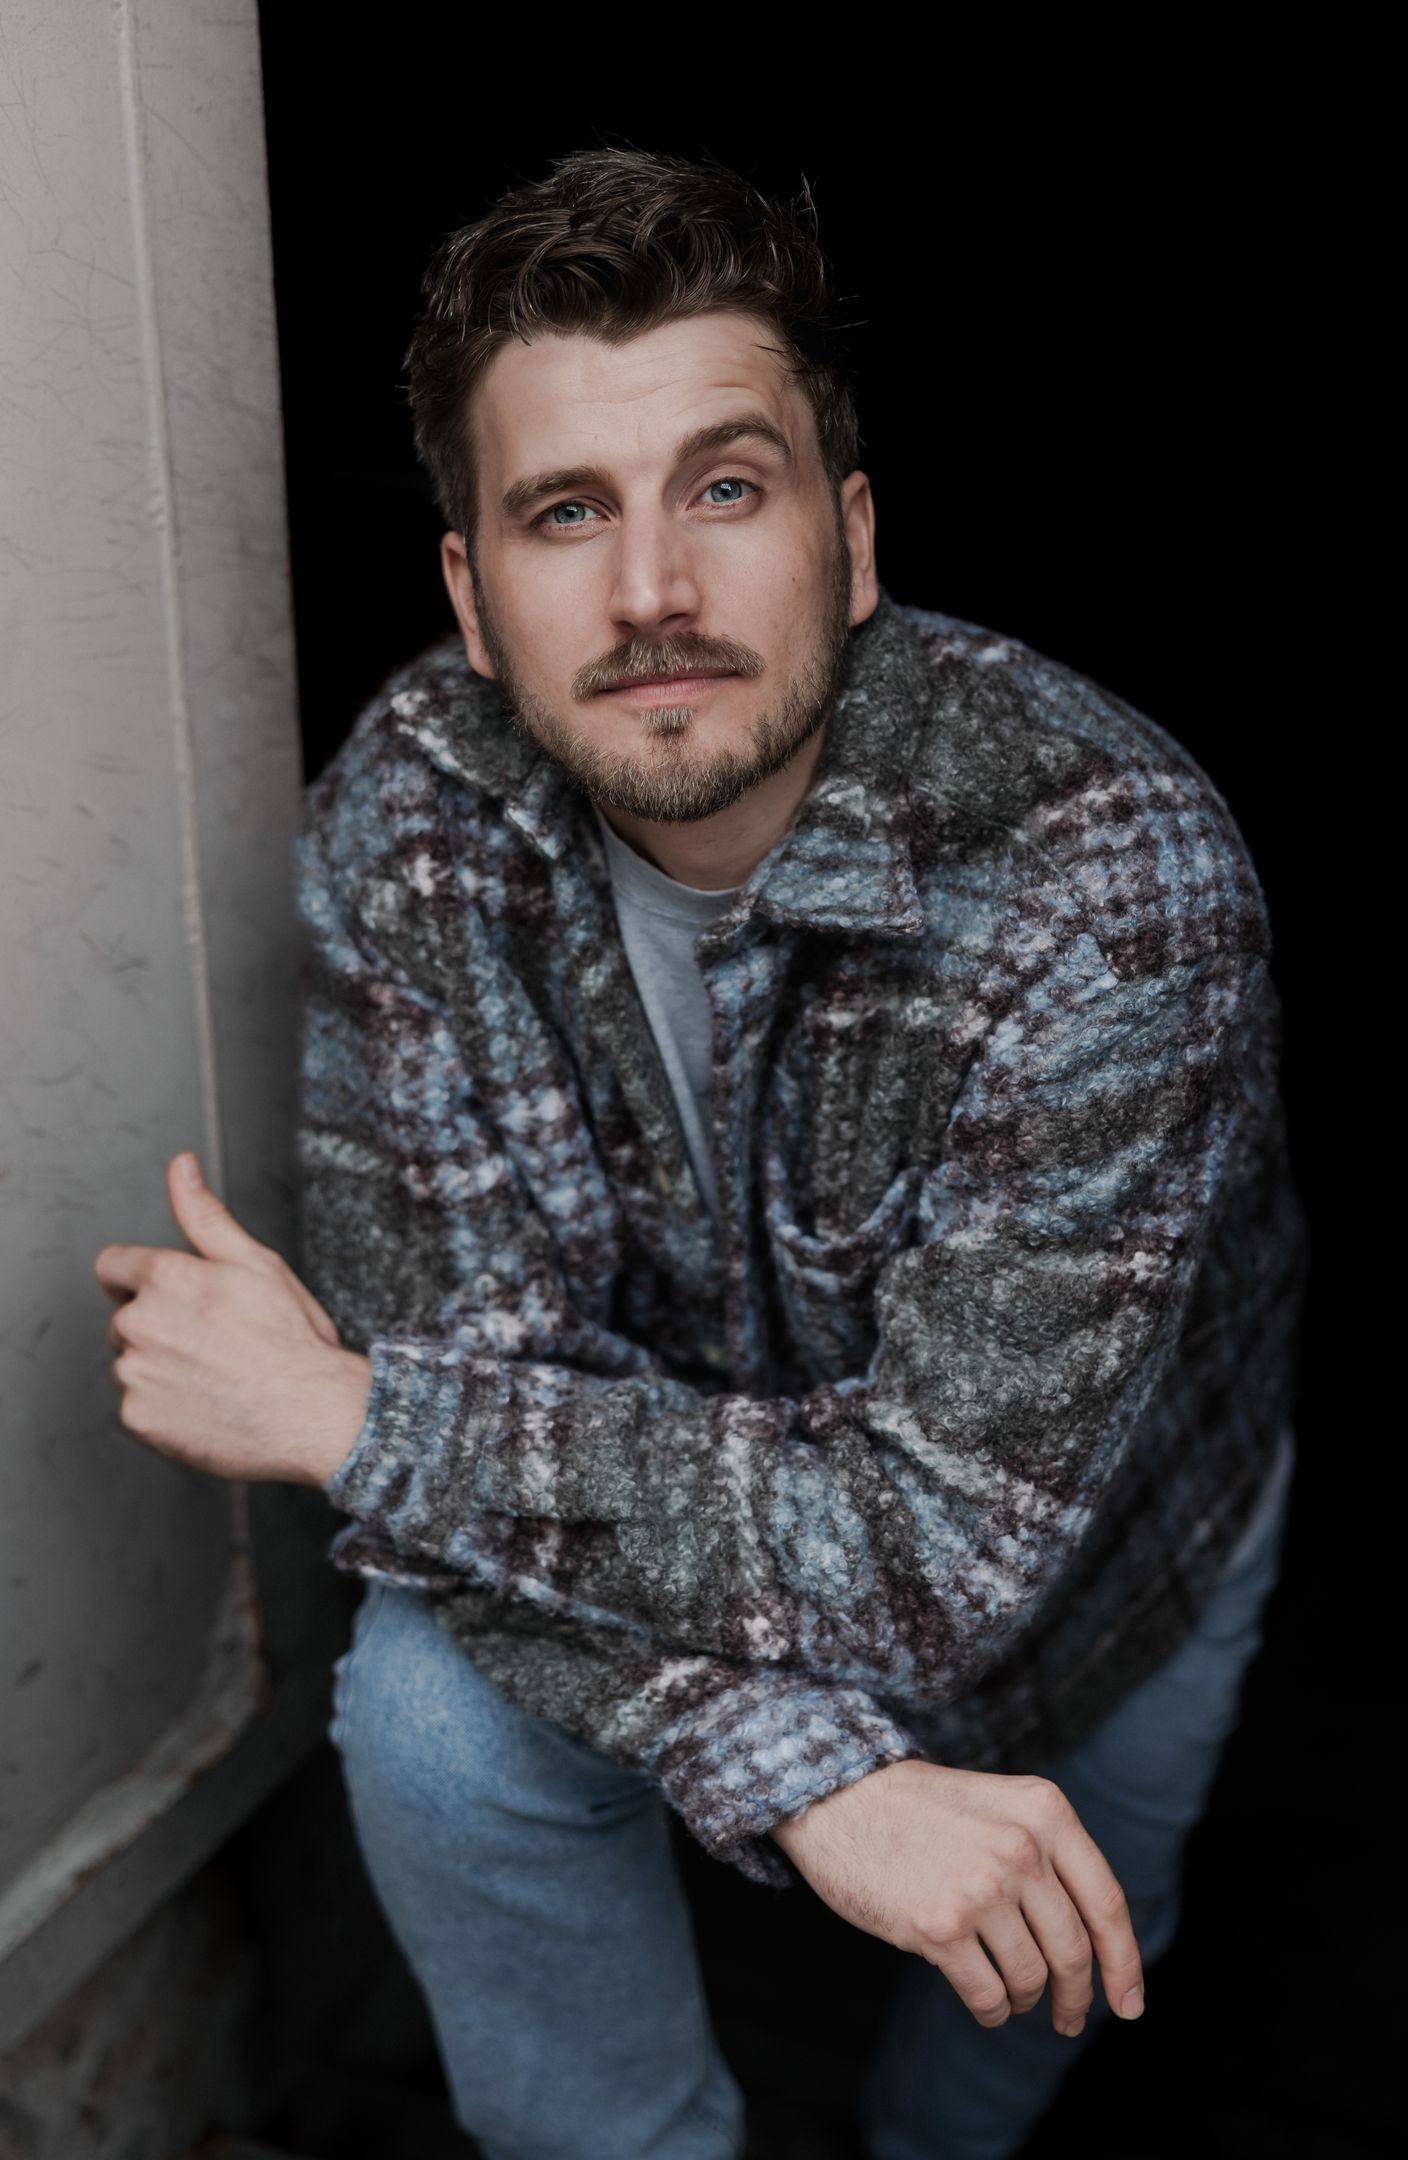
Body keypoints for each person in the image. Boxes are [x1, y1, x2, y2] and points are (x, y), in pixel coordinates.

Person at [289, 146, 1309, 2160]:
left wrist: (343, 1418)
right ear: (471, 599)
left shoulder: (1108, 876)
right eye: (564, 512)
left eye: (724, 489)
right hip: (646, 1521)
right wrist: (816, 1775)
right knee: (423, 1712)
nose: (650, 593)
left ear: (849, 541)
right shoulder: (416, 807)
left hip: (1111, 1556)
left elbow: (936, 1552)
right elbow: (476, 1388)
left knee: (1065, 1954)